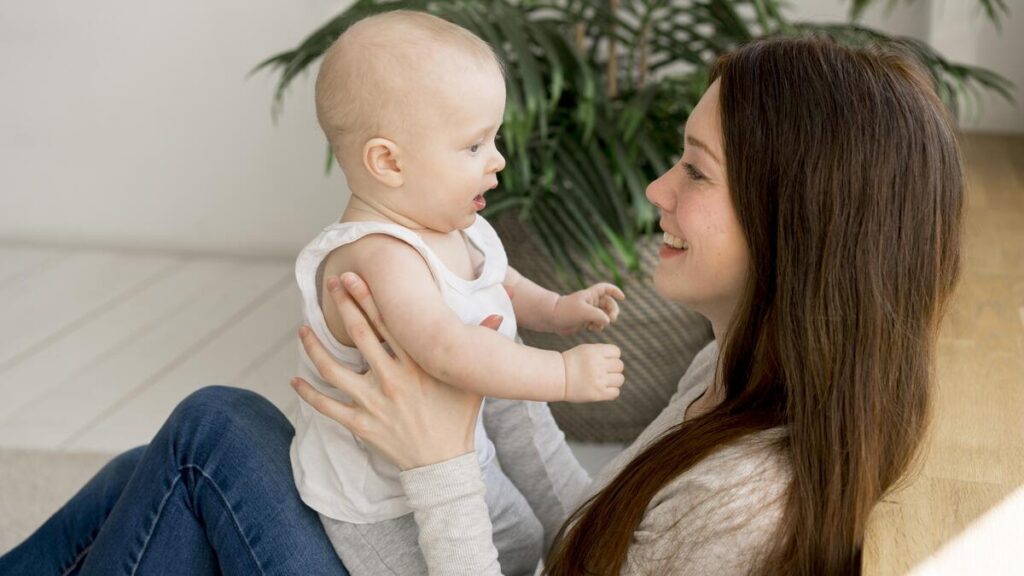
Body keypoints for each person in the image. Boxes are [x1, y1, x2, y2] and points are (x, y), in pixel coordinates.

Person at [0, 34, 964, 575]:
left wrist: (439, 465)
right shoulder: (731, 373)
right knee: (163, 472)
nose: (657, 192)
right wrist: (494, 372)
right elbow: (587, 527)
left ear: (793, 220)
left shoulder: (742, 508)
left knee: (212, 434)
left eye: (695, 173)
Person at [291, 10, 625, 575]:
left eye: (492, 138)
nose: (497, 159)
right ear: (388, 162)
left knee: (519, 538)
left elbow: (499, 282)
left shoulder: (455, 224)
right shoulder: (378, 256)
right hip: (384, 504)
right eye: (474, 146)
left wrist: (558, 310)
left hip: (454, 452)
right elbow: (446, 349)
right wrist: (563, 375)